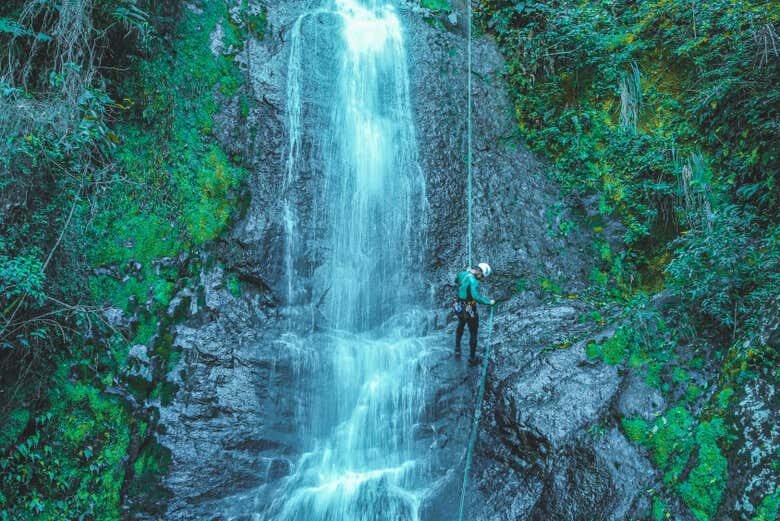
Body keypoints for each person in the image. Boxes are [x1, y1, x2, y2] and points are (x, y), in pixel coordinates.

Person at [453, 262, 495, 365]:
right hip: (469, 308)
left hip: (458, 305)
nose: (481, 279)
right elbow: (476, 297)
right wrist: (488, 302)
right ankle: (472, 359)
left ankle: (457, 349)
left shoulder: (463, 274)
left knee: (461, 324)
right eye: (482, 276)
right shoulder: (474, 281)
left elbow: (456, 281)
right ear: (480, 272)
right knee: (473, 332)